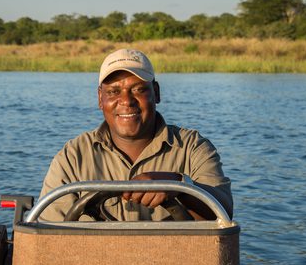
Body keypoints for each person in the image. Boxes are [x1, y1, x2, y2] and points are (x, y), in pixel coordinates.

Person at [39, 49, 233, 222]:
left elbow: (224, 212)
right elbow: (47, 231)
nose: (126, 101)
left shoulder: (193, 147)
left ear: (156, 93)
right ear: (100, 98)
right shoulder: (73, 156)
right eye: (113, 92)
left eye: (138, 89)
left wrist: (177, 185)